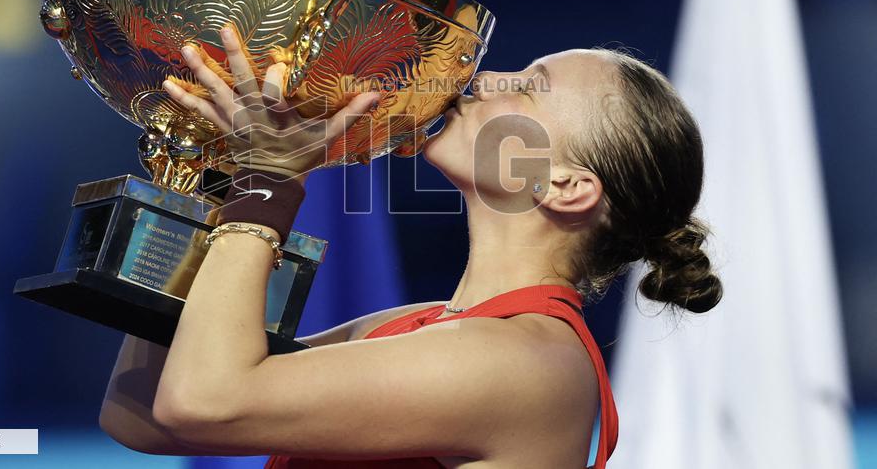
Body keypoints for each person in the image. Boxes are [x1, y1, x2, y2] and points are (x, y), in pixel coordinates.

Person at [98, 24, 723, 468]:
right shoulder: (417, 328)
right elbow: (141, 415)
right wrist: (210, 179)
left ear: (565, 185)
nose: (484, 80)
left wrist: (267, 186)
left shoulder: (526, 363)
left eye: (528, 87)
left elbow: (202, 400)